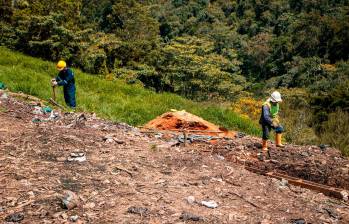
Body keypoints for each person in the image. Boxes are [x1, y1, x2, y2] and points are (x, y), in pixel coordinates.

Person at [259, 91, 285, 156]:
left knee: (280, 129)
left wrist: (276, 120)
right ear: (272, 100)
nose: (277, 102)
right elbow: (265, 116)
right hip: (265, 121)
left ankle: (278, 143)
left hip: (273, 120)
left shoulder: (276, 104)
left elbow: (275, 113)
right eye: (276, 101)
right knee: (266, 134)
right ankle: (264, 146)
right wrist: (272, 123)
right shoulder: (266, 105)